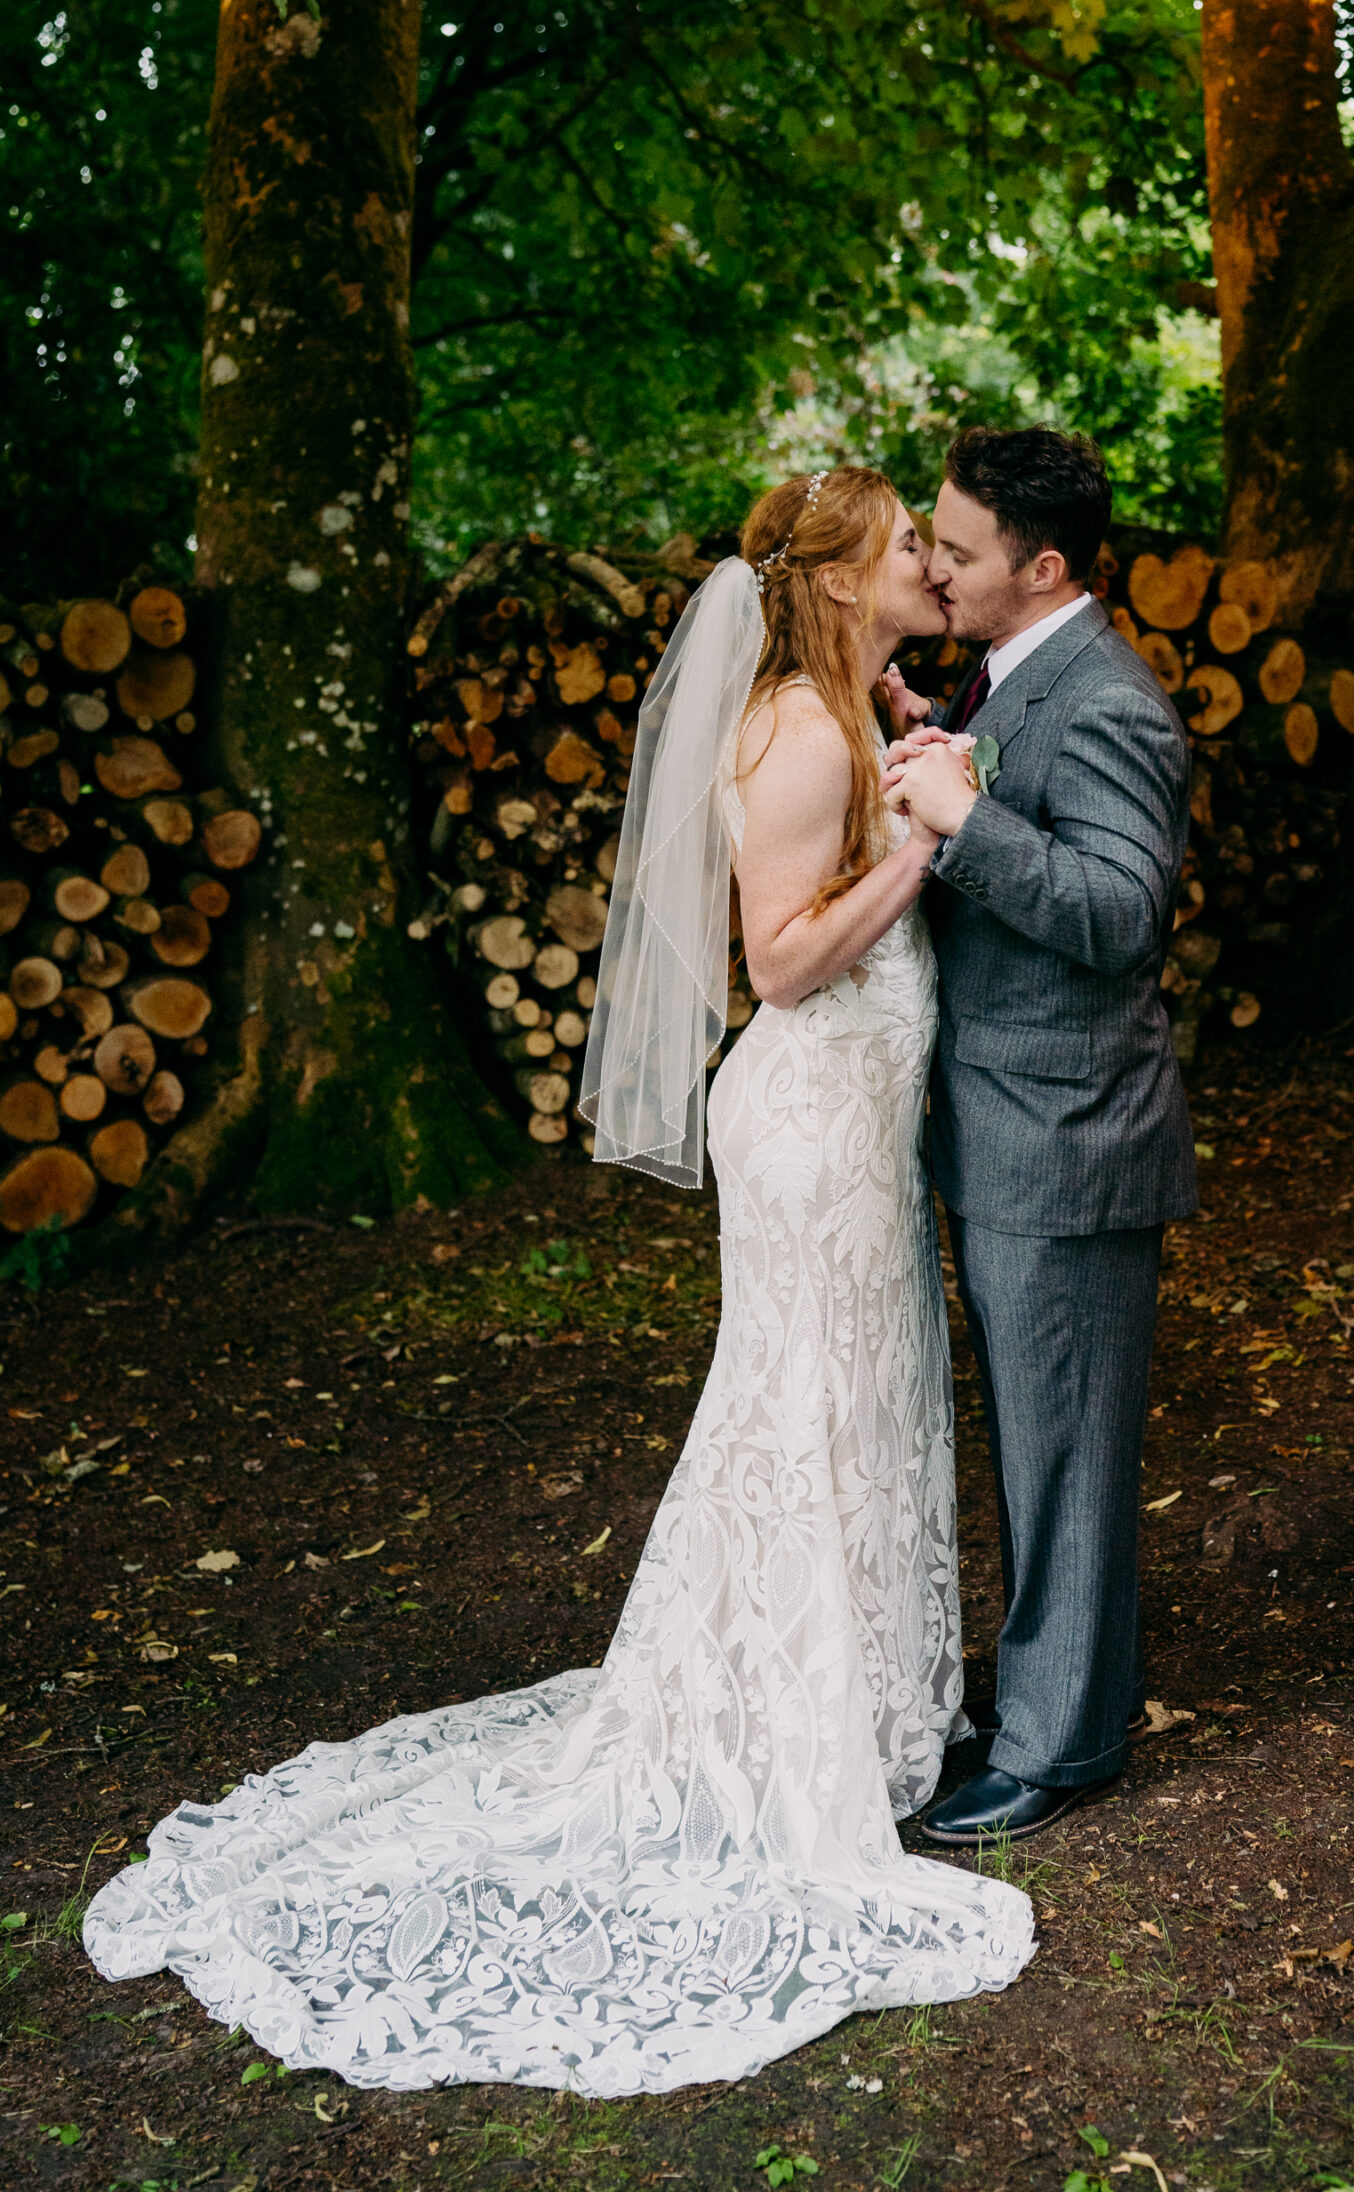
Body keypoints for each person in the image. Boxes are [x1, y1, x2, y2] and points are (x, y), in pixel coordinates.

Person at [82, 465, 1033, 2098]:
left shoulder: (833, 705)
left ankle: (867, 1707)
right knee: (803, 1405)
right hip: (810, 1120)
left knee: (860, 1400)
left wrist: (914, 761)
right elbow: (785, 962)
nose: (919, 571)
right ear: (836, 577)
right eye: (897, 552)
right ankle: (786, 1719)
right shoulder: (801, 731)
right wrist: (932, 852)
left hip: (854, 1125)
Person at [882, 425, 1197, 1844]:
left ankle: (1060, 1747)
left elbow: (1123, 920)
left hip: (1068, 1143)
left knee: (1064, 1446)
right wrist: (926, 744)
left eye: (957, 550)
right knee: (1031, 1436)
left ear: (1044, 565)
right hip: (1002, 1124)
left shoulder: (1112, 702)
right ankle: (1046, 1693)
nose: (936, 567)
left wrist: (961, 818)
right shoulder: (1004, 671)